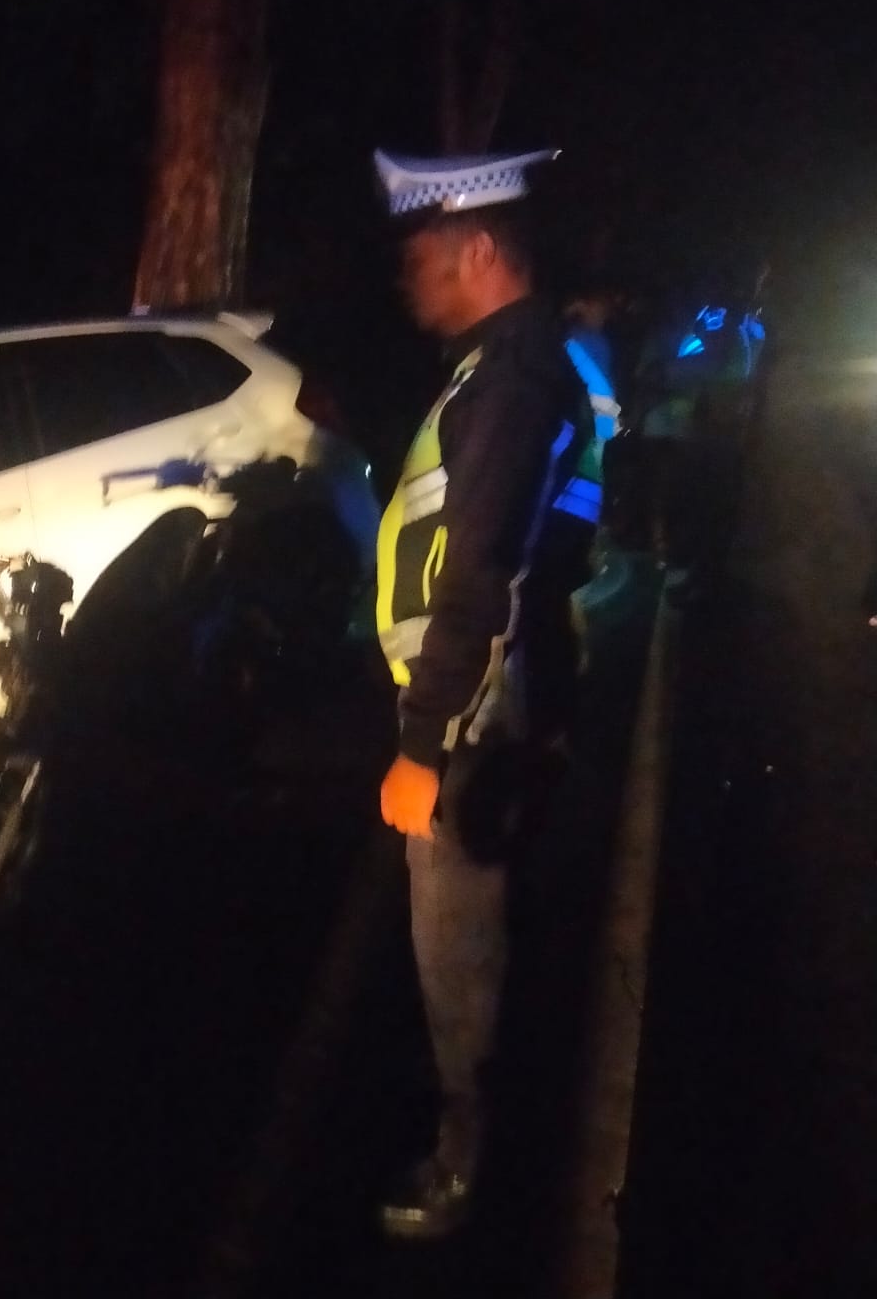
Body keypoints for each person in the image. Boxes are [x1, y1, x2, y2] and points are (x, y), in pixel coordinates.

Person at [371, 146, 597, 1238]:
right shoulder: (504, 368)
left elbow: (481, 575)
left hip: (473, 716)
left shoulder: (509, 381)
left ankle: (468, 1170)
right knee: (491, 936)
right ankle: (497, 1134)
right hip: (500, 700)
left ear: (479, 250)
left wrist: (423, 745)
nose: (408, 276)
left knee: (458, 954)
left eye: (422, 255)